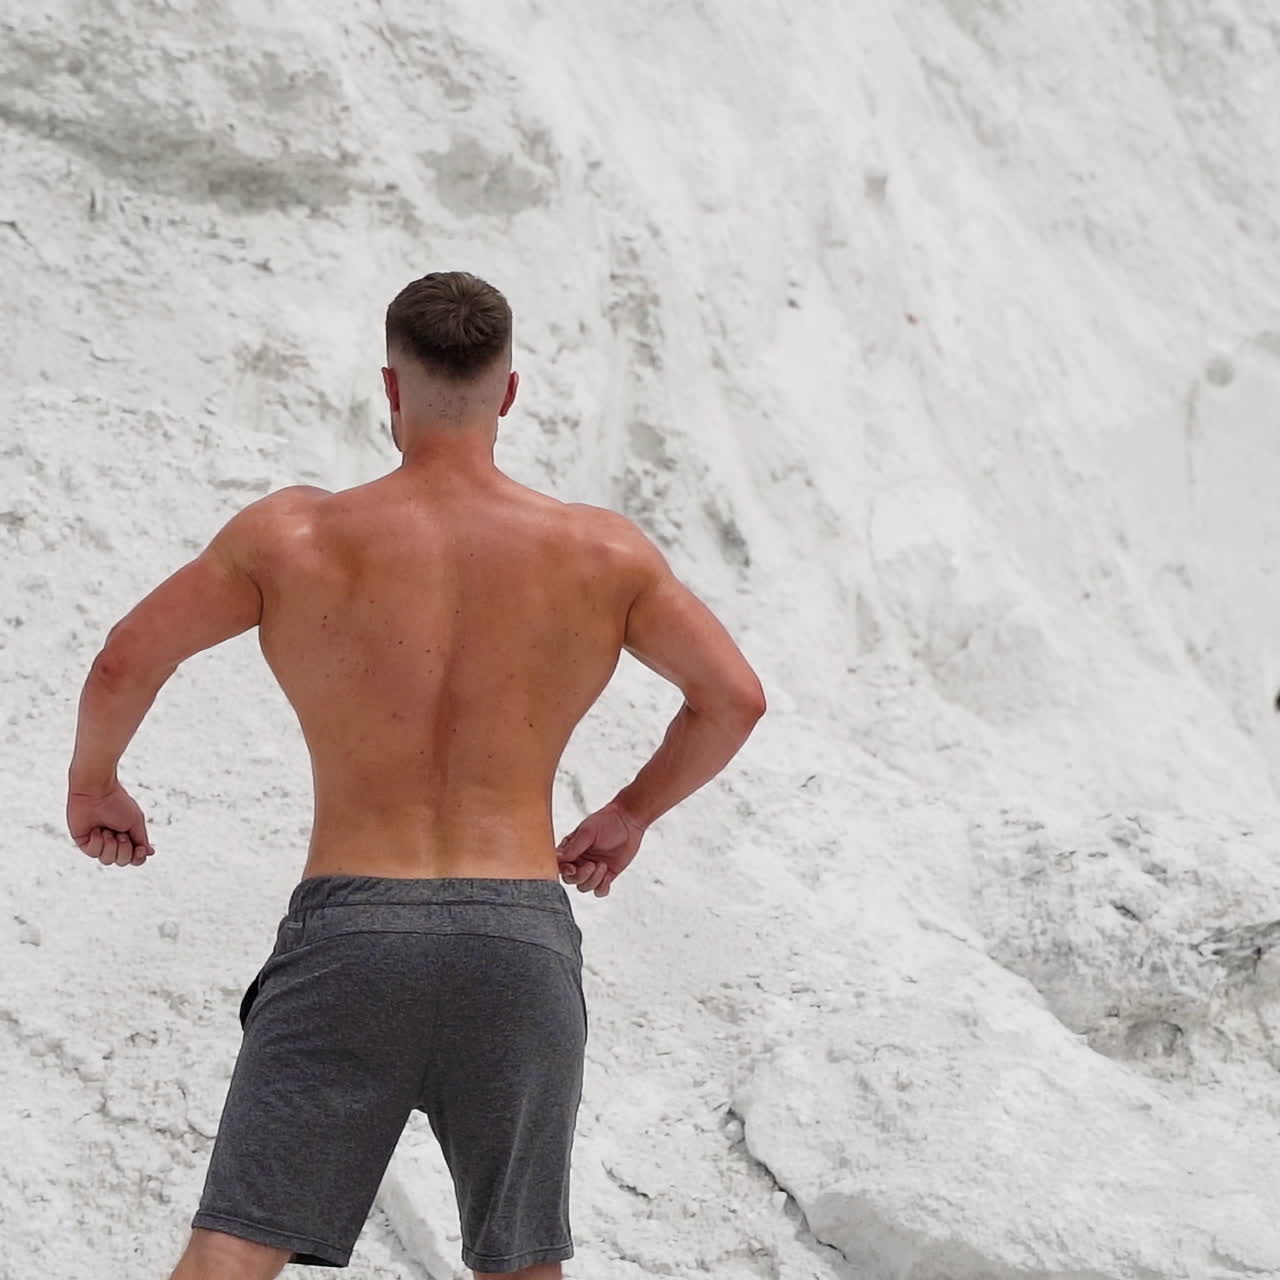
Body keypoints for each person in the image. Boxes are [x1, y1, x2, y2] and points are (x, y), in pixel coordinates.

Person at [64, 270, 767, 1279]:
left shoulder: (293, 536)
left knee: (234, 1243)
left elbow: (124, 659)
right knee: (521, 1264)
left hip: (351, 934)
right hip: (516, 939)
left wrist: (95, 783)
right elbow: (733, 697)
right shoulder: (600, 553)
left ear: (390, 387)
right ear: (509, 393)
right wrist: (628, 811)